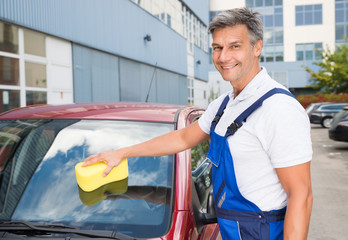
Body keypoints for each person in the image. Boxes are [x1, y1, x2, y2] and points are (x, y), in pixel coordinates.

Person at [84, 7, 313, 240]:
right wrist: (122, 153)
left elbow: (301, 195)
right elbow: (183, 138)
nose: (224, 57)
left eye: (235, 46)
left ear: (257, 47)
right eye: (217, 48)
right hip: (232, 230)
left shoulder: (278, 108)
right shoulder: (223, 105)